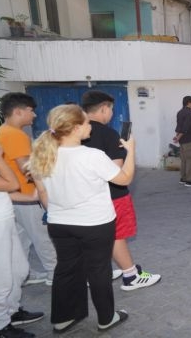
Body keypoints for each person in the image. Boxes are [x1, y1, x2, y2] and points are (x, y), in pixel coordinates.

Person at [28, 104, 133, 333]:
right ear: (75, 128)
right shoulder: (92, 156)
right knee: (98, 270)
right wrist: (130, 151)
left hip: (59, 223)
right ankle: (107, 318)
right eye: (86, 123)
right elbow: (123, 179)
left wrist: (60, 211)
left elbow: (43, 193)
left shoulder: (43, 154)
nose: (89, 127)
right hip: (94, 223)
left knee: (66, 269)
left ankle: (64, 318)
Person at [81, 91, 161, 292]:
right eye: (111, 109)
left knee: (95, 236)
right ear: (103, 108)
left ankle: (97, 273)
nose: (111, 113)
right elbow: (116, 172)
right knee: (116, 235)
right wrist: (130, 151)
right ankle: (131, 275)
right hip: (112, 195)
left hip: (84, 196)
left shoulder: (72, 133)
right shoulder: (108, 134)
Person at [0, 93, 57, 287]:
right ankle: (55, 274)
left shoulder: (2, 131)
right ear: (18, 111)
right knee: (43, 238)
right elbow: (26, 167)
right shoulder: (16, 135)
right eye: (31, 111)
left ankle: (23, 274)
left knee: (21, 240)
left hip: (14, 198)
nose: (34, 115)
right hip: (28, 195)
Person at [0, 142, 41, 338]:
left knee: (20, 270)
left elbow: (4, 191)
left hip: (5, 220)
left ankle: (10, 313)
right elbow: (11, 184)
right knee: (1, 279)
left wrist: (33, 197)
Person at [173, 96, 191, 187]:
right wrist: (178, 137)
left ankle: (183, 178)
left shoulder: (180, 112)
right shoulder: (189, 114)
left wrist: (177, 136)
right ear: (189, 103)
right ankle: (190, 180)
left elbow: (179, 126)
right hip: (190, 140)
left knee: (184, 160)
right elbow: (185, 128)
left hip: (183, 141)